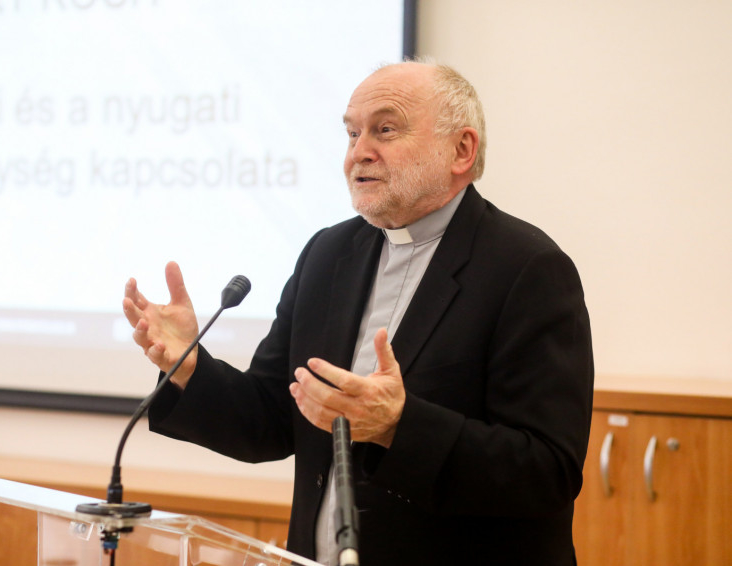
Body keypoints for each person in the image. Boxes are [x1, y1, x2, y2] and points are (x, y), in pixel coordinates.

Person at [123, 60, 594, 565]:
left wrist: (398, 426)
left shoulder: (527, 268)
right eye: (352, 133)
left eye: (385, 130)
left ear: (461, 150)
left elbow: (547, 471)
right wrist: (190, 367)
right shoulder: (328, 255)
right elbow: (273, 417)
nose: (358, 152)